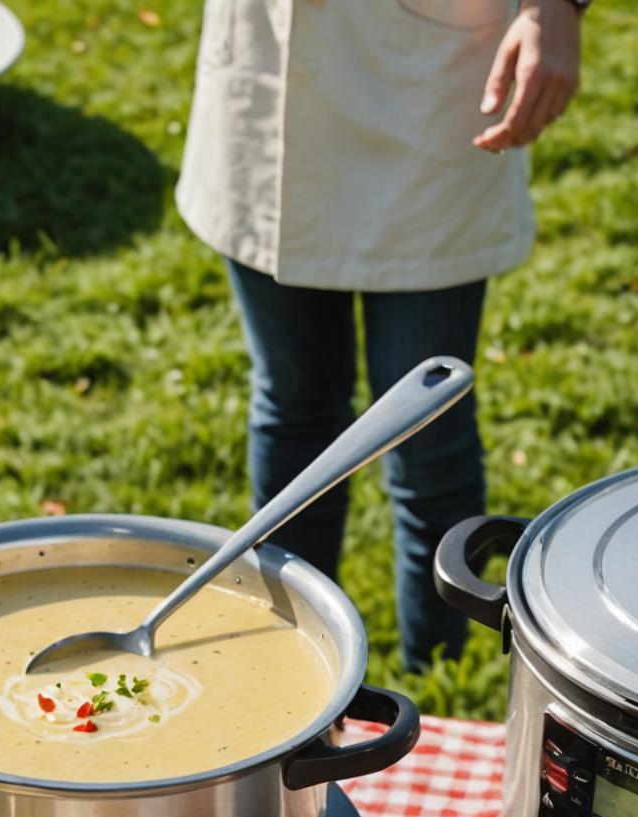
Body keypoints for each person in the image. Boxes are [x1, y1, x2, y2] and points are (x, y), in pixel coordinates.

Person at [176, 0, 584, 671]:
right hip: (265, 64)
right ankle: (288, 669)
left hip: (433, 82)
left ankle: (439, 685)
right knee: (293, 407)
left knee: (428, 441)